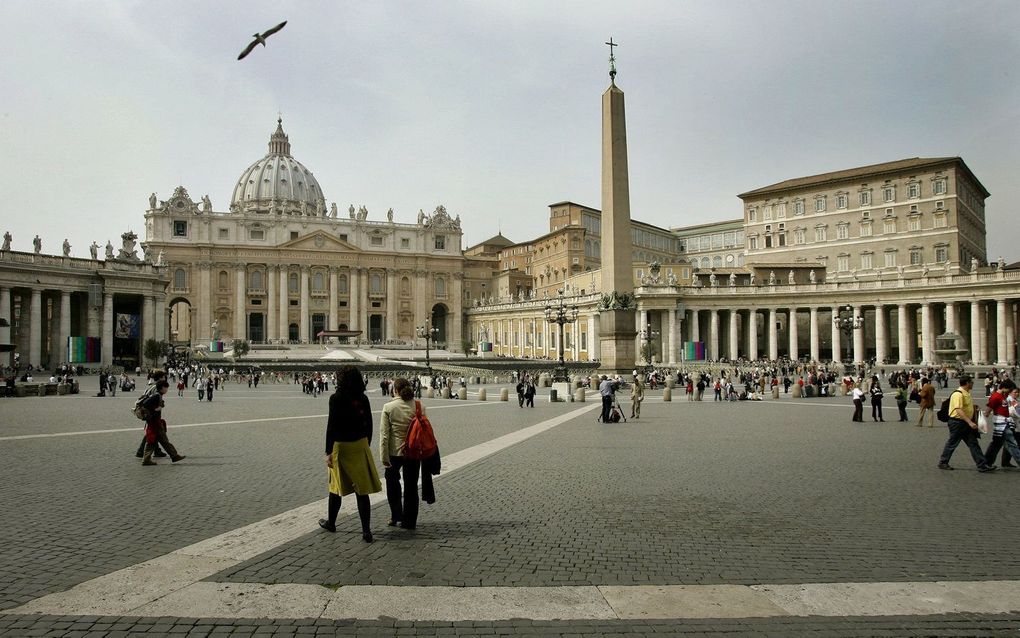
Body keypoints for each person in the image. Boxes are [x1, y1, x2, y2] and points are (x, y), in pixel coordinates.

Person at [319, 366, 381, 542]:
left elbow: (331, 426)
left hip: (341, 447)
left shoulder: (336, 398)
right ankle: (366, 531)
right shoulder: (363, 398)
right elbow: (369, 424)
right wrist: (365, 444)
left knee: (335, 488)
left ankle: (331, 522)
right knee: (362, 491)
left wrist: (328, 451)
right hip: (359, 445)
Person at [380, 377, 424, 529]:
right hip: (413, 451)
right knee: (411, 486)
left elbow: (384, 435)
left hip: (394, 452)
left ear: (395, 390)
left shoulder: (388, 407)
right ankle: (410, 521)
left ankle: (396, 515)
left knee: (392, 483)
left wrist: (384, 457)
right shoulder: (419, 406)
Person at [938, 376, 996, 472]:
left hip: (964, 422)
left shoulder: (966, 393)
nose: (973, 384)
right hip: (957, 422)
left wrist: (974, 408)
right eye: (971, 382)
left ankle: (982, 465)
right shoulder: (958, 394)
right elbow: (958, 409)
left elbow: (964, 406)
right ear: (967, 383)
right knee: (952, 443)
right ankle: (943, 462)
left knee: (973, 443)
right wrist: (969, 422)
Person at [140, 380, 185, 465]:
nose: (167, 389)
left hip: (155, 422)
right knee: (158, 441)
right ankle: (174, 456)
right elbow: (145, 404)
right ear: (162, 388)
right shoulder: (156, 396)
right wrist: (155, 409)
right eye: (166, 387)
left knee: (157, 440)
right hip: (155, 422)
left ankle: (174, 456)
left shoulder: (158, 395)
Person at [983, 381, 1020, 470]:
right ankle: (986, 462)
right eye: (1009, 389)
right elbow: (989, 407)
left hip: (1004, 423)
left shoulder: (1002, 396)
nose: (1009, 392)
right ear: (1004, 387)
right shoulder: (996, 396)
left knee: (996, 444)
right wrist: (986, 414)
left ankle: (986, 462)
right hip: (1001, 423)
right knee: (1012, 444)